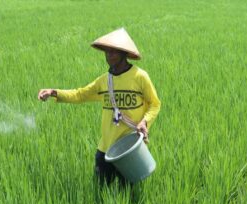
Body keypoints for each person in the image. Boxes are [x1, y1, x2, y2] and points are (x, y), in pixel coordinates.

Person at [38, 28, 161, 187]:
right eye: (106, 52)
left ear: (123, 53)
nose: (109, 56)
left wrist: (145, 121)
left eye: (113, 52)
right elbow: (81, 94)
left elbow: (155, 103)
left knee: (128, 193)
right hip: (106, 148)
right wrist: (55, 92)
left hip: (129, 148)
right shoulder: (104, 81)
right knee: (101, 191)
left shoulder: (140, 77)